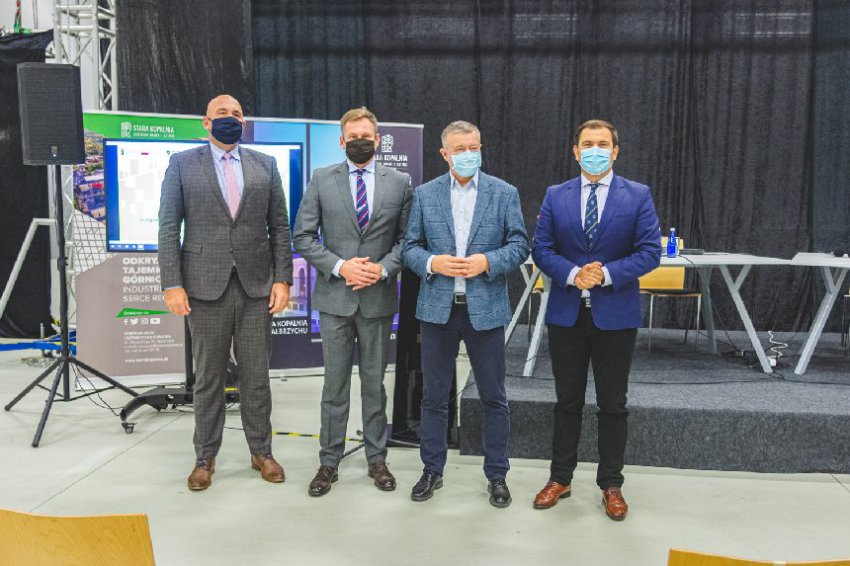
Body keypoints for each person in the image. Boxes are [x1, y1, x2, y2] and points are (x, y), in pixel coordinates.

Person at [158, 94, 293, 491]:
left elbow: (279, 227)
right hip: (203, 287)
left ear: (244, 123)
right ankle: (205, 457)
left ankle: (262, 452)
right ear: (206, 122)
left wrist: (282, 279)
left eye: (236, 114)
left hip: (256, 287)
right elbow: (169, 227)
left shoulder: (265, 165)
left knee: (256, 377)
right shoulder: (182, 164)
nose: (230, 118)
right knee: (208, 379)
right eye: (222, 113)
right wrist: (172, 283)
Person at [530, 119, 661, 520]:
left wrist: (604, 273)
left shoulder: (637, 195)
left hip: (615, 315)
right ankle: (560, 478)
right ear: (575, 151)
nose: (595, 150)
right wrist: (573, 274)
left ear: (615, 151)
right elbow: (542, 248)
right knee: (566, 401)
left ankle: (611, 484)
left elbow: (649, 252)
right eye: (588, 144)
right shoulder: (556, 195)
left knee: (613, 404)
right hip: (566, 313)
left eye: (603, 144)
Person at [402, 120, 529, 508]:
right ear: (445, 154)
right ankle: (432, 470)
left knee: (494, 396)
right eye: (460, 149)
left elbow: (520, 245)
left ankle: (497, 475)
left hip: (485, 310)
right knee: (434, 398)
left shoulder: (504, 193)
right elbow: (409, 247)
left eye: (474, 147)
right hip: (437, 310)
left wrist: (487, 262)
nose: (469, 154)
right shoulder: (425, 194)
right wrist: (433, 262)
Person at [293, 107, 412, 496]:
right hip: (335, 300)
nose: (360, 142)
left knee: (374, 385)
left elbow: (407, 240)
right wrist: (342, 266)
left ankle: (377, 459)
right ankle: (329, 461)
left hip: (377, 299)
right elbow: (303, 236)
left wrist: (382, 269)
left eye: (367, 136)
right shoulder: (322, 178)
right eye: (353, 136)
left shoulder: (399, 183)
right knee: (334, 386)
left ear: (377, 140)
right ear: (342, 141)